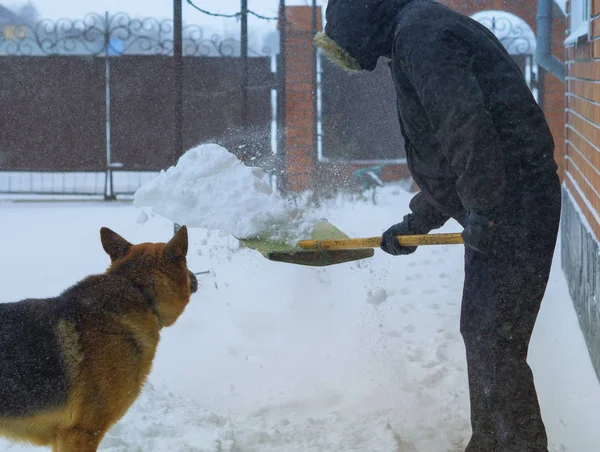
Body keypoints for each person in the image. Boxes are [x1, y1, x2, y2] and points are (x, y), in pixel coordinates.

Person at [314, 0, 561, 451]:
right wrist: (418, 221)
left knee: (493, 338)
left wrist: (486, 211)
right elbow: (449, 157)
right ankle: (496, 442)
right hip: (508, 201)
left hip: (514, 204)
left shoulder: (421, 37)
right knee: (489, 336)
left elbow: (466, 129)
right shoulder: (417, 30)